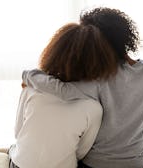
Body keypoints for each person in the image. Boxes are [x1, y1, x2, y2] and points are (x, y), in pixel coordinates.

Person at [23, 7, 143, 168]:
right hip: (139, 163)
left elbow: (63, 90)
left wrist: (28, 75)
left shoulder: (100, 78)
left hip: (98, 164)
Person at [8, 23, 119, 168]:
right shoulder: (94, 108)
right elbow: (81, 152)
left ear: (54, 52)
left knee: (13, 149)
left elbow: (18, 133)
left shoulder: (31, 89)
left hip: (21, 164)